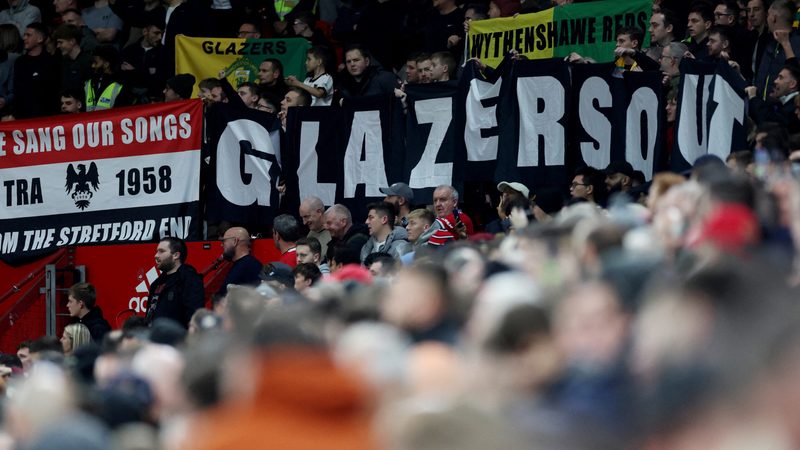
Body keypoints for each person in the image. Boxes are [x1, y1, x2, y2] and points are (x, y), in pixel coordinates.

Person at [145, 237, 204, 328]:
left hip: (177, 340)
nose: (156, 255)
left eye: (161, 251)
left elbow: (194, 315)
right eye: (157, 251)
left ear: (176, 255)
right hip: (152, 338)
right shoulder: (156, 283)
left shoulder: (190, 280)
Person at [13, 22, 60, 118]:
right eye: (24, 35)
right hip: (22, 118)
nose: (24, 38)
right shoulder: (19, 62)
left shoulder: (51, 62)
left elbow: (54, 92)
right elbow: (17, 91)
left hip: (45, 118)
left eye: (28, 35)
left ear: (40, 39)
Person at [120, 18, 166, 103]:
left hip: (151, 100)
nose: (160, 37)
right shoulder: (129, 51)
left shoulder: (164, 53)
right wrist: (148, 72)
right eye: (156, 33)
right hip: (128, 99)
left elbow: (160, 80)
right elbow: (123, 76)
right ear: (145, 31)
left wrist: (134, 71)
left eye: (162, 34)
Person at [85, 44, 132, 111]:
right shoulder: (88, 83)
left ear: (107, 64)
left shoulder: (120, 85)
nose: (92, 66)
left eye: (96, 63)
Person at [218, 227, 263, 294]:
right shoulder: (244, 265)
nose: (221, 245)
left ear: (235, 241)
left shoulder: (251, 267)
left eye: (224, 241)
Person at [53, 23, 90, 92]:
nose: (58, 46)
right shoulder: (63, 62)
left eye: (60, 42)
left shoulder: (88, 62)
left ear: (72, 41)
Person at [299, 196, 331, 260]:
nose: (304, 223)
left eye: (306, 216)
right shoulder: (311, 233)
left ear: (319, 212)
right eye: (302, 217)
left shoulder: (333, 233)